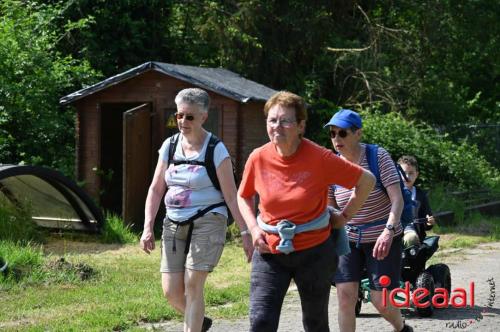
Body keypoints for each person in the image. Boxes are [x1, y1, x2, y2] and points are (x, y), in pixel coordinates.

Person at [237, 91, 375, 332]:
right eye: (272, 120)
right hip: (270, 251)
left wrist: (344, 217)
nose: (277, 126)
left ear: (301, 126)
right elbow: (243, 195)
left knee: (315, 323)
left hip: (315, 253)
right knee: (260, 322)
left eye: (285, 121)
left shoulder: (320, 157)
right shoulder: (258, 157)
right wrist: (253, 228)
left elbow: (366, 181)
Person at [140, 88, 253, 332]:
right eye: (179, 115)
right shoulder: (169, 146)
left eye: (189, 117)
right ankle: (200, 322)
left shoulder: (215, 149)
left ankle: (193, 325)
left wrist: (246, 234)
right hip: (173, 221)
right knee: (171, 291)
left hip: (209, 218)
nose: (183, 121)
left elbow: (232, 197)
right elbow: (156, 189)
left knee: (193, 285)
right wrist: (147, 227)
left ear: (203, 117)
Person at [326, 109, 413, 332]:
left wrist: (388, 230)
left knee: (380, 300)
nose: (336, 139)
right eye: (333, 134)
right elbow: (332, 208)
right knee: (346, 297)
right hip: (349, 239)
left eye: (342, 133)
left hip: (383, 237)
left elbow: (397, 200)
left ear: (358, 134)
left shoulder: (378, 157)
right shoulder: (331, 166)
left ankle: (401, 327)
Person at [398, 155, 436, 247]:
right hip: (393, 233)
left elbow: (427, 222)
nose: (407, 177)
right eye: (403, 173)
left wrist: (429, 222)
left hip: (413, 235)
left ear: (417, 174)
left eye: (411, 173)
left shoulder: (421, 195)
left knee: (411, 238)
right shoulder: (391, 192)